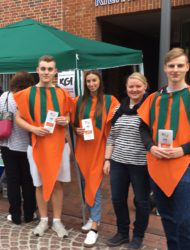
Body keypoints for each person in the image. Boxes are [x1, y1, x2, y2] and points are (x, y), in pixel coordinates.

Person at [138, 48, 190, 250]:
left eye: (180, 66)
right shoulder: (154, 99)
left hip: (184, 166)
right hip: (158, 165)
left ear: (187, 67)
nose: (175, 70)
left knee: (184, 221)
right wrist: (151, 147)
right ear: (165, 68)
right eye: (171, 66)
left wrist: (184, 149)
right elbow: (143, 128)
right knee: (167, 218)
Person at [14, 55, 72, 238]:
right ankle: (43, 220)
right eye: (43, 68)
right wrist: (33, 128)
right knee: (39, 184)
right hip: (36, 144)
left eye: (50, 69)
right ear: (37, 70)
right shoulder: (26, 94)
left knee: (57, 183)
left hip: (59, 146)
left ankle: (57, 221)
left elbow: (68, 116)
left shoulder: (63, 93)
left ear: (55, 71)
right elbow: (18, 118)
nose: (46, 72)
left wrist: (66, 120)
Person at [71, 71, 119, 247]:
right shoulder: (78, 101)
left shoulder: (110, 100)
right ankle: (92, 217)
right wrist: (76, 130)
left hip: (99, 149)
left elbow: (119, 119)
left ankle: (95, 226)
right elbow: (73, 122)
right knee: (86, 185)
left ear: (100, 81)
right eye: (88, 81)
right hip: (83, 149)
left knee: (95, 184)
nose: (91, 84)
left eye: (94, 80)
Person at [103, 72, 150, 249]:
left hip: (141, 164)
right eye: (131, 86)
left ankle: (138, 236)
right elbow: (111, 136)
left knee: (142, 202)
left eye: (138, 86)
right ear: (126, 88)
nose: (134, 89)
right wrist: (107, 159)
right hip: (118, 162)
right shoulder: (118, 109)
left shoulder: (151, 108)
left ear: (145, 86)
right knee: (117, 199)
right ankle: (122, 233)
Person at [0, 72, 36, 225]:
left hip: (6, 144)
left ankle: (15, 215)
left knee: (12, 181)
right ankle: (30, 214)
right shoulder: (30, 97)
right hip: (26, 146)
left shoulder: (5, 95)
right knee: (28, 181)